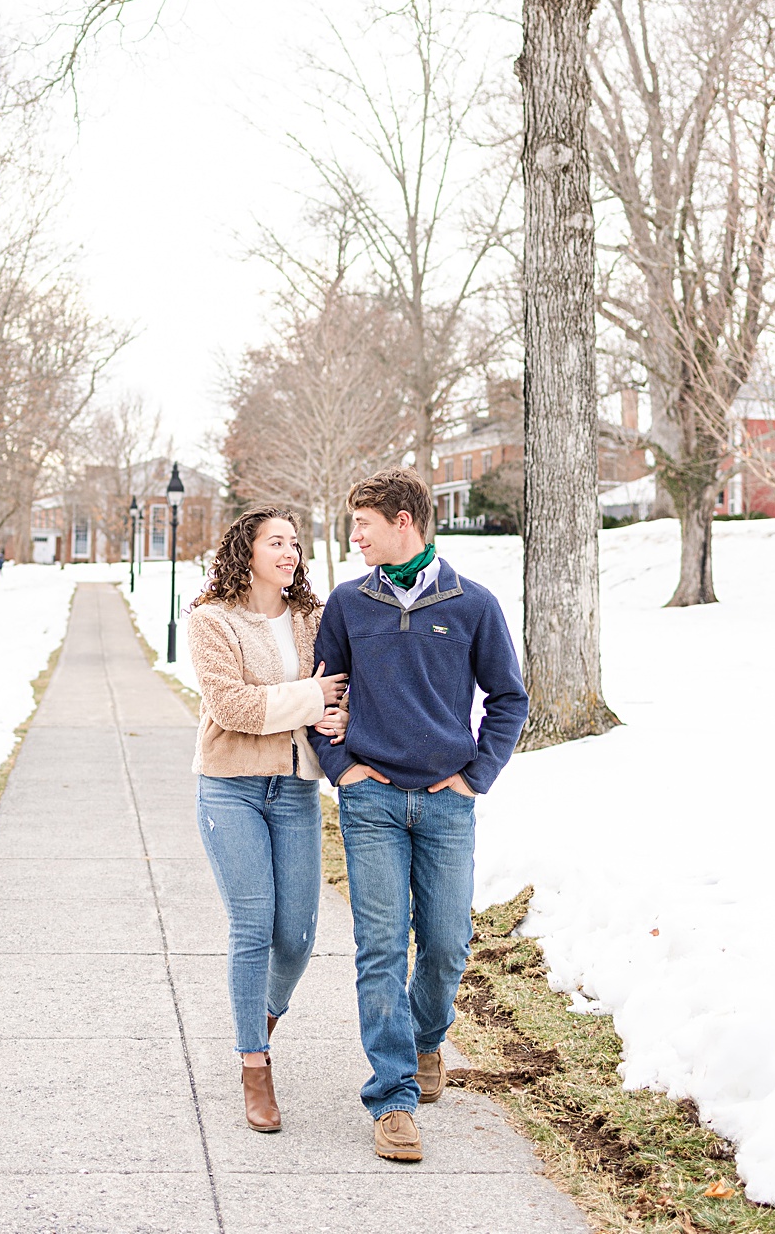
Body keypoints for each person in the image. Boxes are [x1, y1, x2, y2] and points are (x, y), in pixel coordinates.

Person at [310, 468, 528, 1165]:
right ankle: (394, 1098)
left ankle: (428, 1037)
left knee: (444, 943)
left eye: (364, 525)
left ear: (404, 521)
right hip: (370, 800)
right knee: (380, 946)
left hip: (445, 803)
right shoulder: (349, 604)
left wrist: (475, 778)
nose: (354, 537)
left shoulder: (473, 604)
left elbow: (508, 700)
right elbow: (321, 695)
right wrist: (340, 767)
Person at [187, 507, 348, 1133]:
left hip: (296, 789)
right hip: (230, 788)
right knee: (253, 926)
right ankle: (255, 1062)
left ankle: (263, 1014)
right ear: (246, 551)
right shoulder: (212, 620)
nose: (290, 551)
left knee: (298, 937)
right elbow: (233, 707)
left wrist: (337, 714)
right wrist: (315, 699)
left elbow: (344, 689)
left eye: (295, 542)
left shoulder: (314, 619)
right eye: (275, 541)